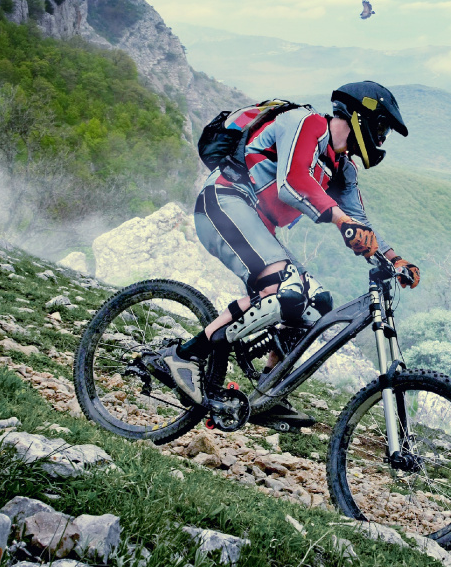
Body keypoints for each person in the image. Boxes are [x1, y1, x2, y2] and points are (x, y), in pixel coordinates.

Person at [153, 81, 419, 428]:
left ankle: (268, 391)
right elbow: (292, 182)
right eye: (381, 127)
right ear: (360, 115)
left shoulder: (343, 169)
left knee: (318, 302)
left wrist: (395, 259)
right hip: (223, 202)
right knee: (286, 288)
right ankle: (184, 356)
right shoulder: (306, 123)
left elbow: (360, 222)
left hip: (258, 229)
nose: (381, 138)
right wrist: (341, 221)